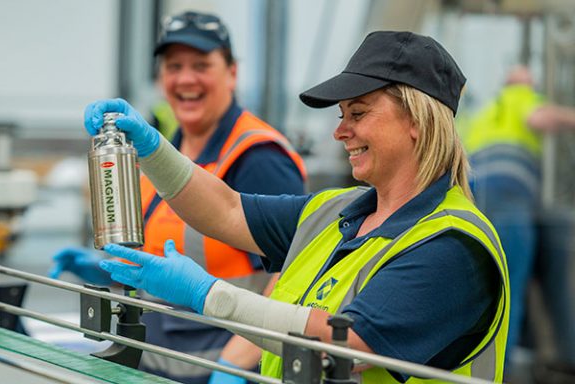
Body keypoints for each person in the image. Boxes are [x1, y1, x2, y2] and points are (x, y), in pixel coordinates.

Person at [83, 31, 510, 382]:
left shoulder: (452, 247)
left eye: (357, 113)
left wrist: (206, 295)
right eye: (341, 115)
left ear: (417, 120)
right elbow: (228, 210)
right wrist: (151, 148)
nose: (340, 132)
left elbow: (349, 346)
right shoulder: (336, 212)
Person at [50, 10, 306, 384]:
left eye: (201, 64)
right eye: (174, 66)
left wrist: (234, 367)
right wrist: (112, 267)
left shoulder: (257, 157)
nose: (186, 78)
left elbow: (293, 278)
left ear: (232, 72)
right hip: (156, 364)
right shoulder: (164, 153)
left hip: (222, 369)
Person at [462, 65, 575, 361]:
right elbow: (541, 117)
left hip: (478, 199)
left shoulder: (485, 114)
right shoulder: (520, 99)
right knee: (511, 285)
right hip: (510, 199)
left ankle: (479, 362)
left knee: (488, 285)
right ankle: (502, 368)